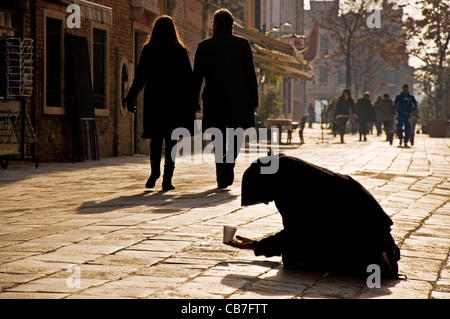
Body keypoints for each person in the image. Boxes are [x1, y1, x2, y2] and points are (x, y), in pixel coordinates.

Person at [225, 153, 402, 278]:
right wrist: (259, 245)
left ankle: (377, 256)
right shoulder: (289, 171)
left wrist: (257, 246)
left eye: (261, 197)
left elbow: (296, 233)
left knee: (293, 257)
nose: (265, 202)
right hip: (364, 221)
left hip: (360, 230)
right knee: (293, 253)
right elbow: (301, 229)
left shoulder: (288, 185)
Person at [126, 16, 197, 191]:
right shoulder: (180, 50)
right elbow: (189, 79)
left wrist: (130, 98)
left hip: (155, 99)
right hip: (174, 101)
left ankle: (154, 173)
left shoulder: (149, 49)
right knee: (171, 140)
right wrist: (193, 103)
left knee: (156, 139)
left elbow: (140, 77)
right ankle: (167, 179)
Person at [193, 8, 258, 188]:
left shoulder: (204, 46)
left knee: (218, 138)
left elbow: (197, 77)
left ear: (216, 25)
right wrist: (254, 101)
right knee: (237, 136)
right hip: (239, 101)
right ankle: (229, 164)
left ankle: (223, 173)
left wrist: (194, 101)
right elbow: (250, 75)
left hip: (214, 101)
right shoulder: (242, 44)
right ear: (232, 26)